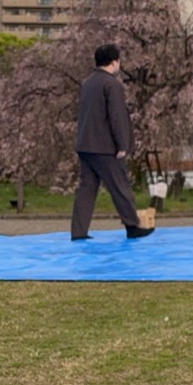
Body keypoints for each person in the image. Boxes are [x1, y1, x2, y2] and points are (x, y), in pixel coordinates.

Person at [71, 43, 150, 241]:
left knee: (86, 189)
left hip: (85, 144)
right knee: (120, 186)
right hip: (105, 146)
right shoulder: (112, 84)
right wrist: (123, 145)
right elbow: (117, 116)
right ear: (114, 62)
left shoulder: (88, 83)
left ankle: (78, 232)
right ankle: (132, 225)